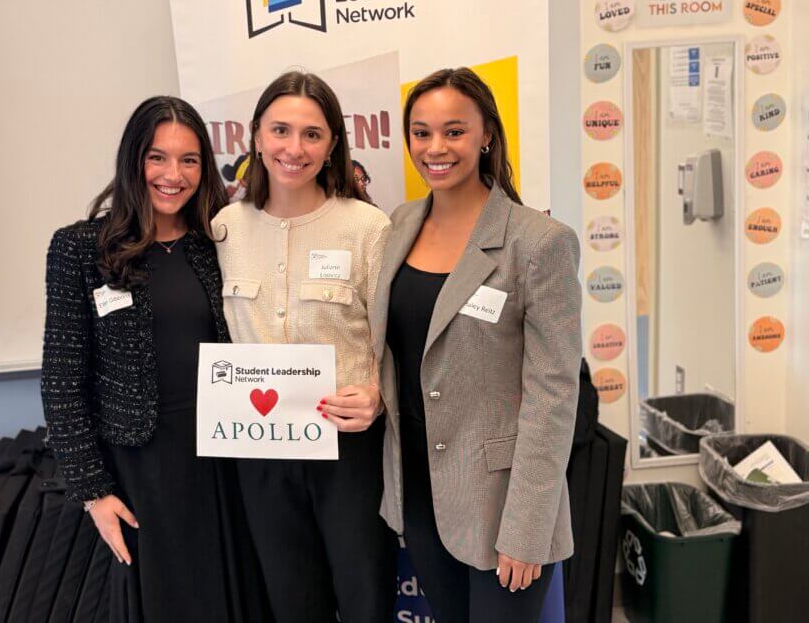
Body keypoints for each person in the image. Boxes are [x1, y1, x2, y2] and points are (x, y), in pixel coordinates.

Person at [40, 96, 269, 622]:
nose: (173, 174)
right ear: (133, 161)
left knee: (238, 595)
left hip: (227, 454)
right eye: (157, 158)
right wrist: (94, 492)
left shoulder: (218, 241)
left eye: (189, 160)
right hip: (141, 466)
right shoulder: (80, 249)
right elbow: (61, 382)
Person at [371, 67, 581, 622]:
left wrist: (528, 528)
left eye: (453, 131)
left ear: (486, 134)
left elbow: (554, 393)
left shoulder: (537, 242)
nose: (435, 148)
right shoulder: (400, 224)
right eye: (421, 132)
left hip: (502, 506)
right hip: (419, 493)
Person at [212, 70, 395, 623]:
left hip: (348, 449)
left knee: (366, 598)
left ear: (333, 144)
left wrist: (378, 396)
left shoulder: (367, 228)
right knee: (292, 603)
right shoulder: (222, 229)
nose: (295, 148)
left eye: (312, 134)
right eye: (281, 130)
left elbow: (398, 340)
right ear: (257, 137)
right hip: (261, 450)